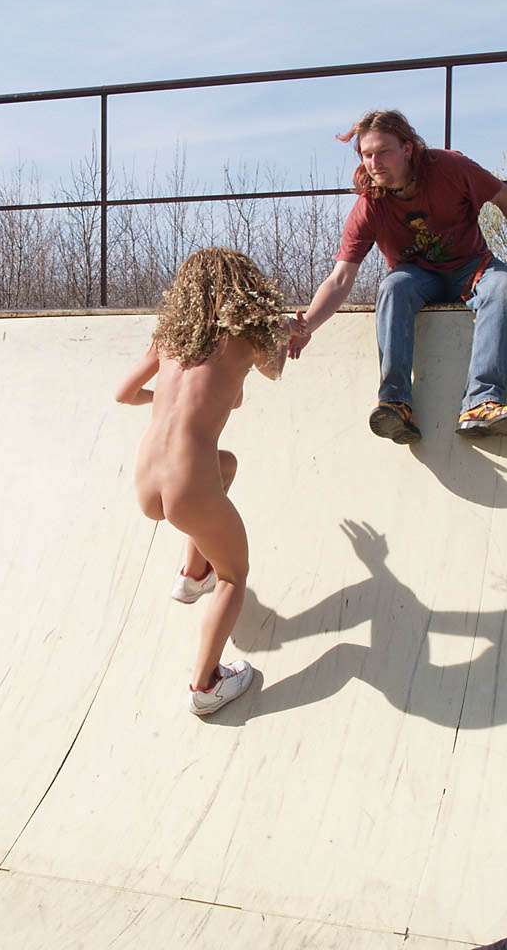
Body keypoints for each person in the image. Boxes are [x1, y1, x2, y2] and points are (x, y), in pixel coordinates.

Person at [289, 110, 507, 443]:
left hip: (471, 267)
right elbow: (340, 278)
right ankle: (395, 404)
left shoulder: (449, 168)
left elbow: (504, 197)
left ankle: (481, 402)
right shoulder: (370, 205)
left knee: (503, 285)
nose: (374, 163)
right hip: (417, 278)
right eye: (367, 155)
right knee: (393, 286)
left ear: (407, 148)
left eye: (383, 152)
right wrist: (306, 326)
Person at [115, 248, 293, 716]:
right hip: (188, 481)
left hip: (148, 476)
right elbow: (276, 367)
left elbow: (123, 393)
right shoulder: (245, 338)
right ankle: (205, 684)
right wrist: (279, 328)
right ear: (243, 289)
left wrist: (165, 402)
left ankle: (193, 576)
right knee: (234, 575)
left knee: (225, 465)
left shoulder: (170, 339)